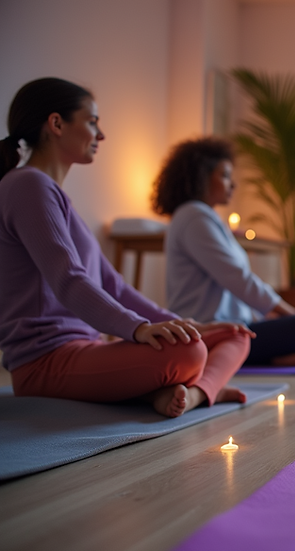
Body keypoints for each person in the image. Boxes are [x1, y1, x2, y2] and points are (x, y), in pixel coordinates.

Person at [0, 78, 253, 418]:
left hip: (86, 350)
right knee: (189, 351)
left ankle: (189, 393)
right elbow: (68, 280)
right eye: (92, 122)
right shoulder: (27, 185)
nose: (101, 135)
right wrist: (139, 328)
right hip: (44, 363)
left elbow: (114, 285)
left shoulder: (55, 196)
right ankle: (202, 389)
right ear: (56, 124)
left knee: (233, 335)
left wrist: (179, 322)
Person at [153, 137, 295, 366]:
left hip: (238, 326)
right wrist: (291, 313)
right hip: (211, 330)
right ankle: (259, 358)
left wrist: (272, 317)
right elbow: (237, 278)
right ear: (200, 177)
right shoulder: (193, 217)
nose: (232, 184)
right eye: (224, 175)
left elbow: (237, 291)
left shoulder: (206, 217)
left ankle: (269, 357)